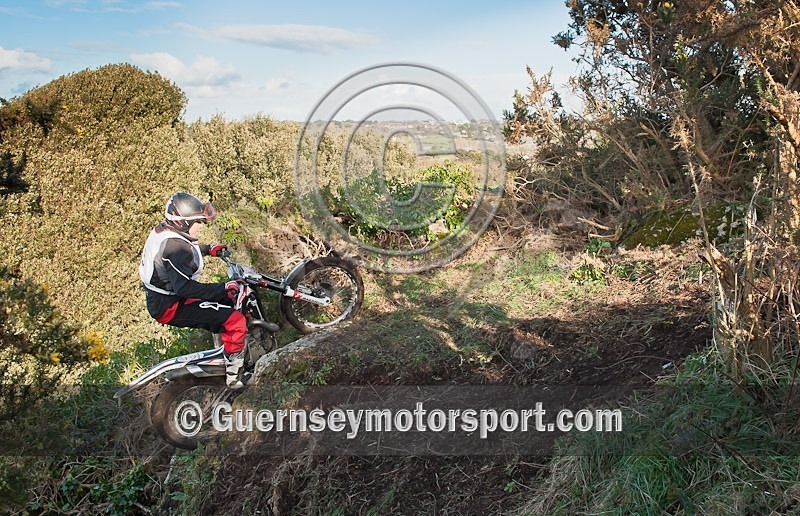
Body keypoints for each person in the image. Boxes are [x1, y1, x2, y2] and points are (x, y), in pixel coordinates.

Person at [139, 192, 248, 389]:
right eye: (197, 222)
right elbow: (184, 287)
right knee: (235, 321)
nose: (201, 225)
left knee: (228, 302)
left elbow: (183, 251)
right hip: (171, 306)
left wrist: (208, 249)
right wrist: (222, 288)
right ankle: (235, 376)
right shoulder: (175, 247)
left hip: (164, 298)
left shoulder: (166, 231)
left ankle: (231, 347)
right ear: (183, 223)